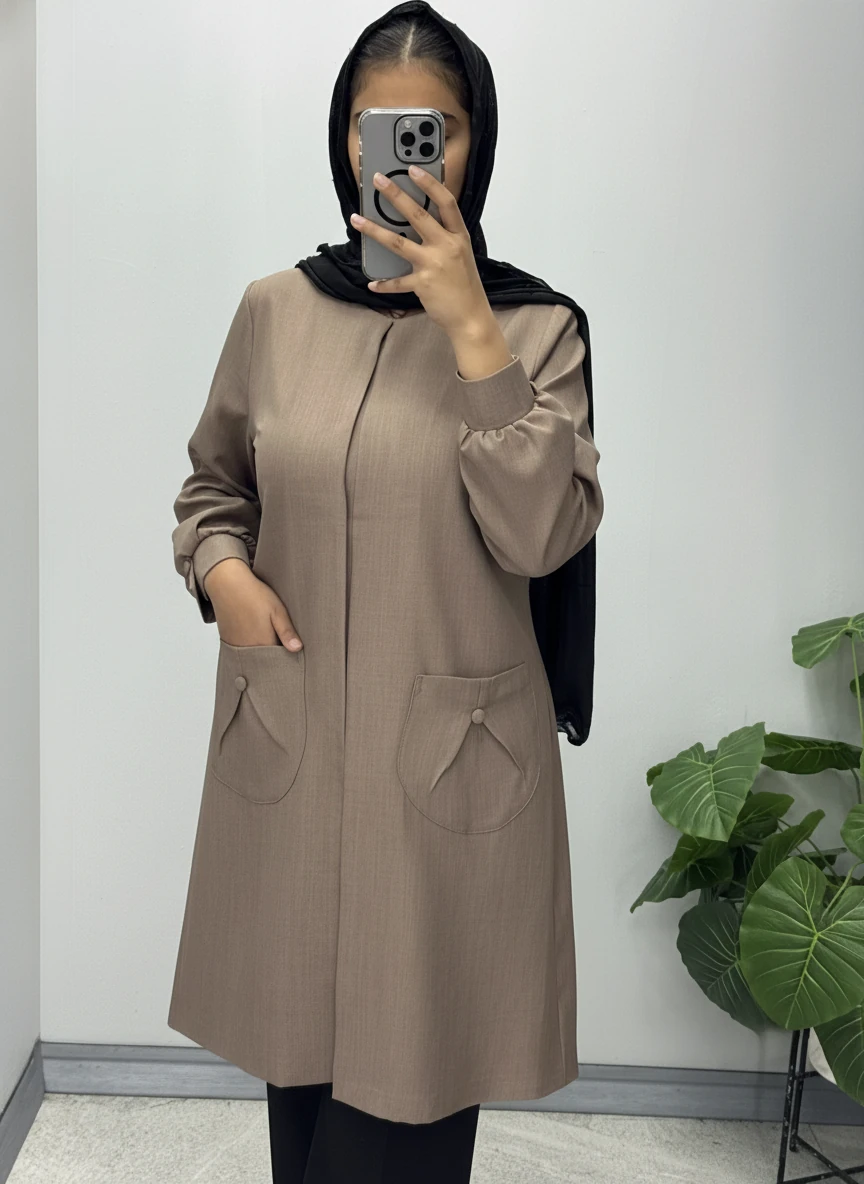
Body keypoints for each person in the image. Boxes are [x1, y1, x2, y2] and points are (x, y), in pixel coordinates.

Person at [167, 1, 604, 1179]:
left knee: (400, 1120)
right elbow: (213, 488)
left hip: (447, 785)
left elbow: (542, 535)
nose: (412, 161)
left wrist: (472, 335)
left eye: (437, 132)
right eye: (383, 131)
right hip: (293, 762)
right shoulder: (276, 308)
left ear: (477, 143)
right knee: (301, 1113)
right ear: (345, 143)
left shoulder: (538, 329)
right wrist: (226, 573)